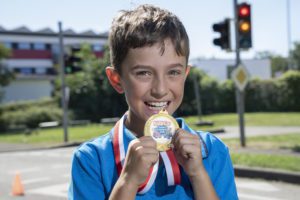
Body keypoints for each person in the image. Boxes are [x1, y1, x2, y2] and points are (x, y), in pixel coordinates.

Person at [68, 4, 238, 200]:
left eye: (173, 72)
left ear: (185, 75)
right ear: (117, 79)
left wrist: (198, 174)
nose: (160, 89)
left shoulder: (212, 150)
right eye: (143, 73)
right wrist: (128, 181)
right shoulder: (91, 159)